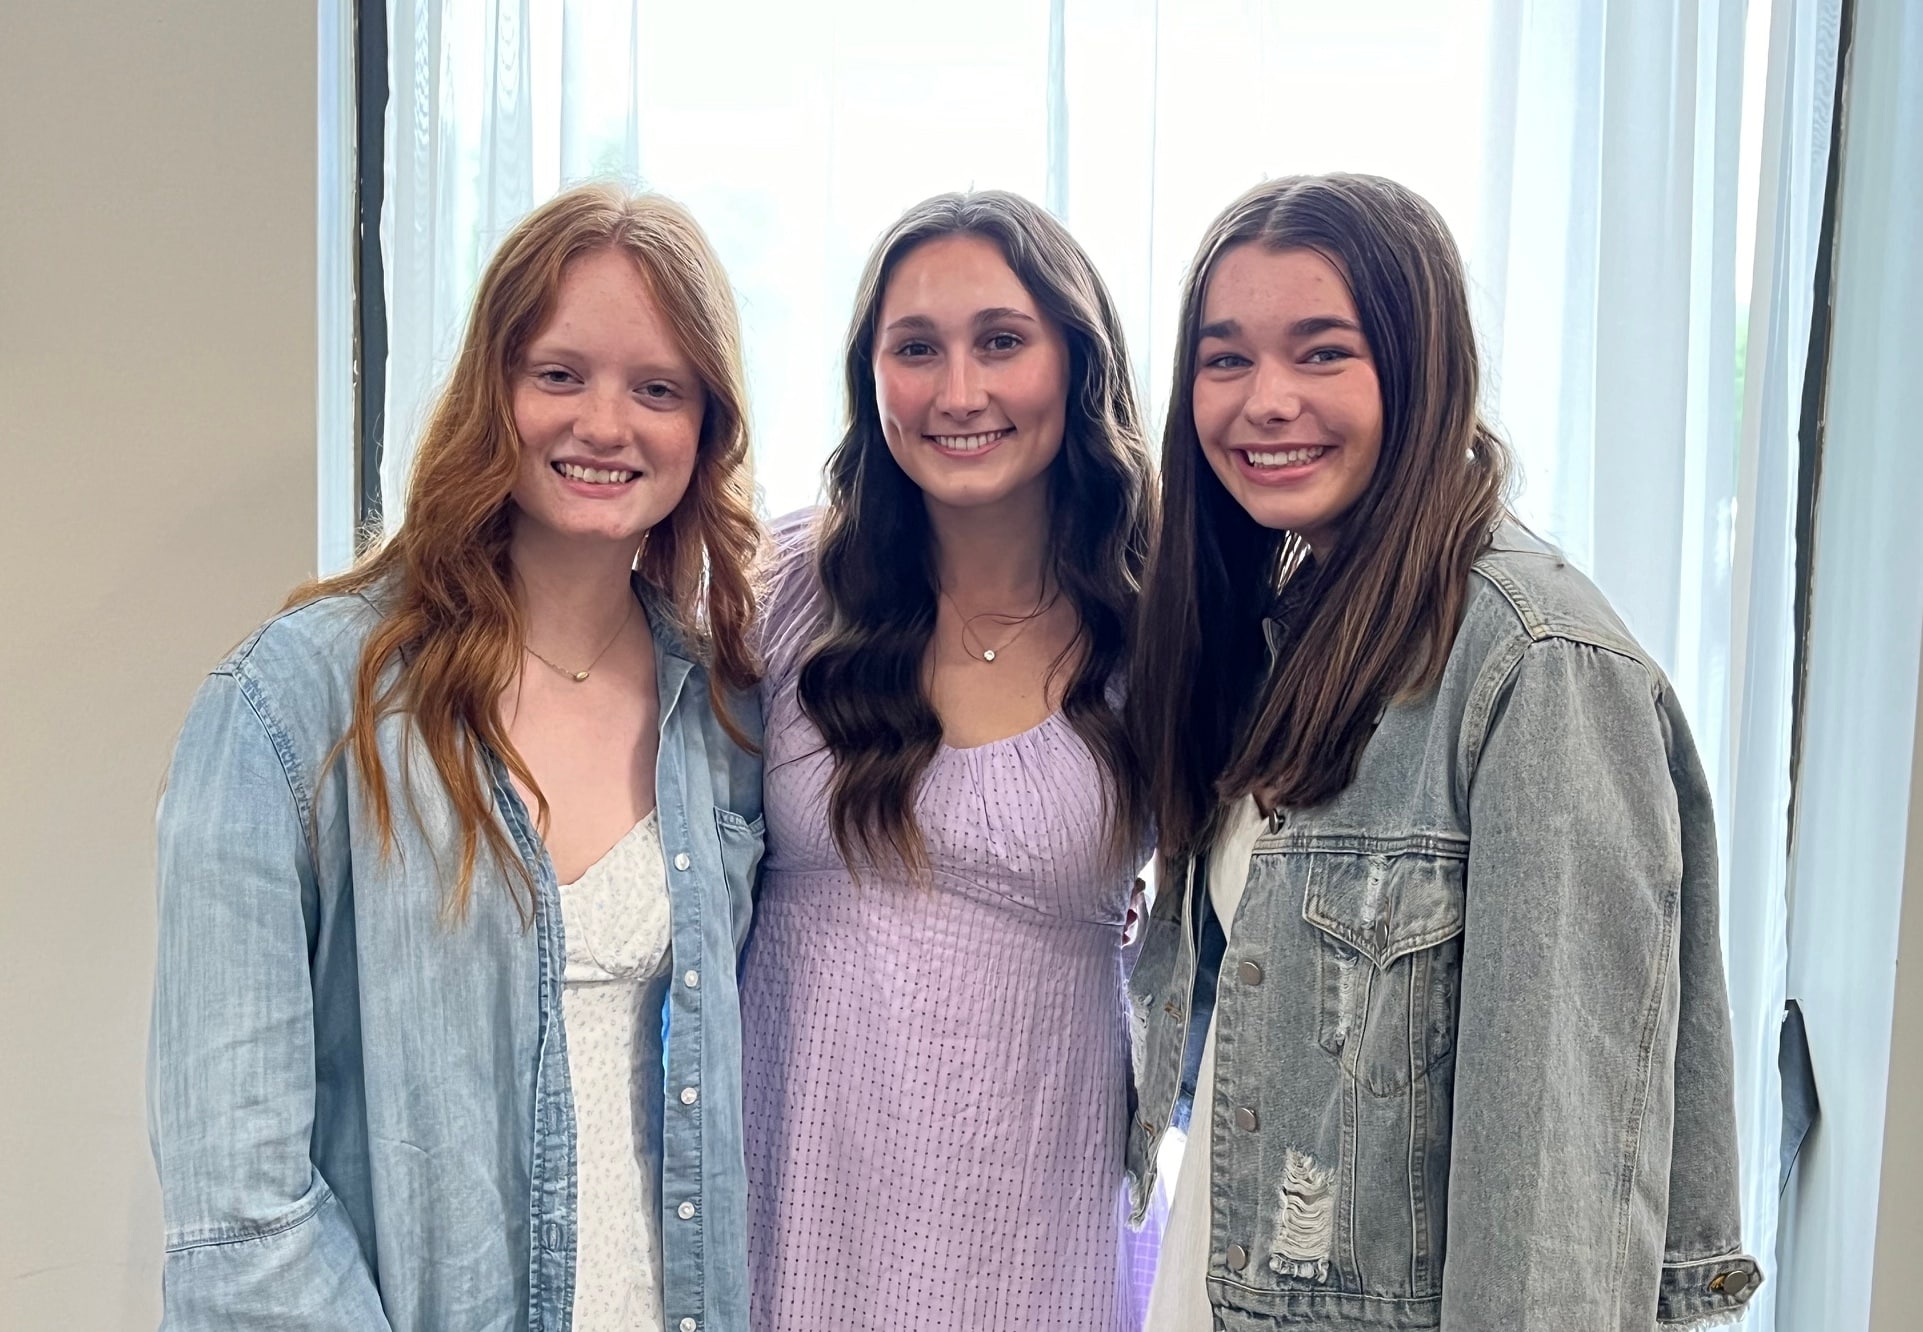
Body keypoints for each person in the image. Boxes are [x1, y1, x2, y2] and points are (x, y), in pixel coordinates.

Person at [1127, 173, 1760, 1330]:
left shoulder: (1539, 667)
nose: (1266, 401)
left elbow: (1552, 1204)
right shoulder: (1294, 625)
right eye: (1226, 360)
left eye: (1323, 353)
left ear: (1422, 369)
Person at [148, 183, 765, 1332]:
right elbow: (240, 1209)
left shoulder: (724, 718)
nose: (606, 424)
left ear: (705, 429)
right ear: (495, 389)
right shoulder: (294, 706)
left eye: (658, 389)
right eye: (561, 374)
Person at [740, 190, 1158, 1331]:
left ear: (1076, 364)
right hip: (793, 1204)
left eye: (1002, 342)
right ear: (869, 378)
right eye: (914, 348)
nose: (957, 391)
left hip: (1039, 1216)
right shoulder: (774, 591)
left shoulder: (1163, 622)